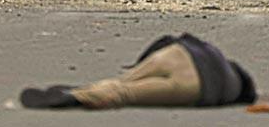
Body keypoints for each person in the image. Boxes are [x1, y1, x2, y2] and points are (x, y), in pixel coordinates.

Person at [20, 33, 257, 109]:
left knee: (124, 80)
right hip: (198, 85)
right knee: (127, 93)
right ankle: (79, 96)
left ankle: (98, 85)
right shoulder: (231, 90)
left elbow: (166, 40)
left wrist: (139, 65)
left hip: (179, 53)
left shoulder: (216, 54)